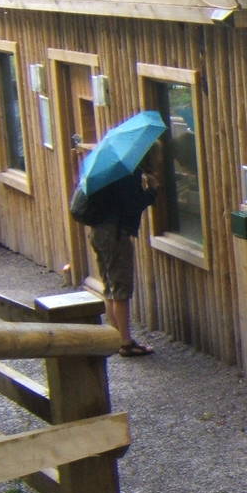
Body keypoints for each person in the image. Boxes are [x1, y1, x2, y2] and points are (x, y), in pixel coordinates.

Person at [84, 152, 157, 357]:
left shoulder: (109, 170)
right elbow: (132, 205)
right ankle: (125, 342)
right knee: (121, 287)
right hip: (115, 234)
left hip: (98, 232)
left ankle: (115, 336)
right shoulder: (127, 173)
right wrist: (152, 190)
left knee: (109, 285)